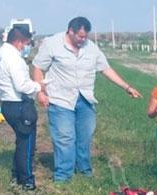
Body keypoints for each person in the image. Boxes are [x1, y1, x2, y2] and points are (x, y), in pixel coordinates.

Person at [32, 16, 142, 183]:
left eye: (85, 36)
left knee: (84, 137)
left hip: (85, 99)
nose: (83, 40)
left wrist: (127, 87)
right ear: (70, 31)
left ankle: (84, 171)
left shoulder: (92, 48)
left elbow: (106, 69)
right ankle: (63, 176)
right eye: (80, 36)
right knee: (65, 138)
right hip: (61, 99)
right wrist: (40, 92)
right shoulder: (52, 44)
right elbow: (38, 68)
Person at [0, 27, 42, 191]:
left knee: (21, 142)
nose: (27, 47)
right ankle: (27, 182)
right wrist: (38, 86)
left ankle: (16, 175)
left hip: (7, 104)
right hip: (19, 105)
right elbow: (22, 85)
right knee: (27, 146)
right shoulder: (14, 58)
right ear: (19, 41)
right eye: (27, 43)